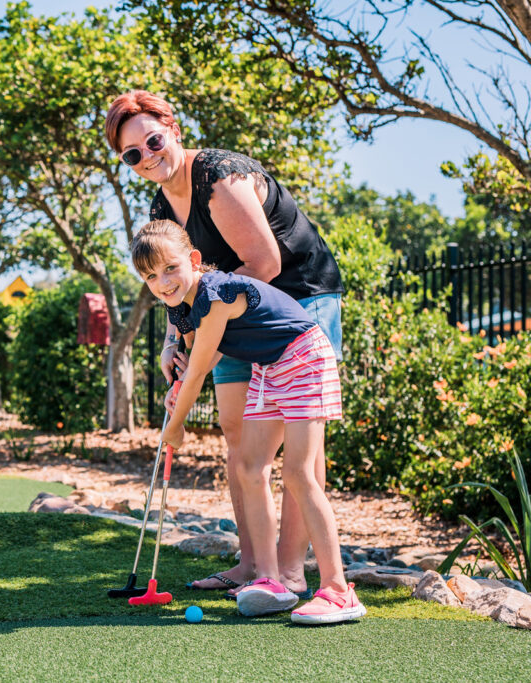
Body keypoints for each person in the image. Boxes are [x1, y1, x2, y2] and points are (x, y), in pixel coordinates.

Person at [106, 90, 345, 596]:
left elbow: (264, 265)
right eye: (132, 154)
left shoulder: (219, 177)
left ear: (171, 128)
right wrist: (175, 338)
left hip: (298, 300)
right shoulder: (159, 203)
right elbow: (180, 279)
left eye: (152, 140)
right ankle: (253, 565)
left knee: (301, 444)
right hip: (230, 313)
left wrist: (197, 343)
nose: (147, 156)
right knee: (238, 435)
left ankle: (291, 571)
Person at [132, 219, 364, 623]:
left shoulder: (215, 293)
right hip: (269, 367)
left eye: (170, 268)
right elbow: (195, 363)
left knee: (298, 473)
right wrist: (178, 387)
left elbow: (202, 366)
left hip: (303, 357)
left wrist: (176, 424)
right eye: (152, 276)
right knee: (249, 467)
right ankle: (271, 580)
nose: (164, 281)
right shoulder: (185, 309)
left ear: (194, 259)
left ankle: (339, 591)